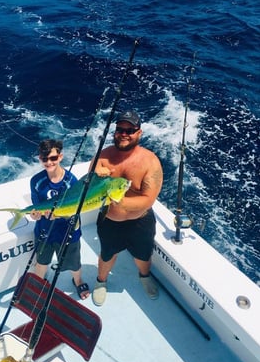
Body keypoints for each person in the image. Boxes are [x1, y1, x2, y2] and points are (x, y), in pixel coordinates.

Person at [91, 109, 163, 306]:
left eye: (130, 130)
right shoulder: (102, 157)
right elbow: (88, 188)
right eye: (120, 129)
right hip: (109, 221)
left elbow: (148, 200)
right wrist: (96, 172)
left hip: (140, 222)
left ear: (139, 133)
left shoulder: (150, 162)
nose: (124, 133)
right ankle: (101, 281)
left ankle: (144, 276)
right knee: (107, 254)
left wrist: (119, 201)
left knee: (143, 256)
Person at [29, 139, 90, 299]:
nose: (49, 162)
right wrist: (35, 215)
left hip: (68, 231)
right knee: (41, 262)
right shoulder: (36, 181)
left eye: (53, 158)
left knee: (74, 263)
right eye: (45, 159)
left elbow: (76, 210)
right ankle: (38, 284)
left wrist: (61, 214)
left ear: (60, 157)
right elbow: (37, 207)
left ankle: (78, 280)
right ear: (40, 159)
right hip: (44, 231)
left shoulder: (72, 182)